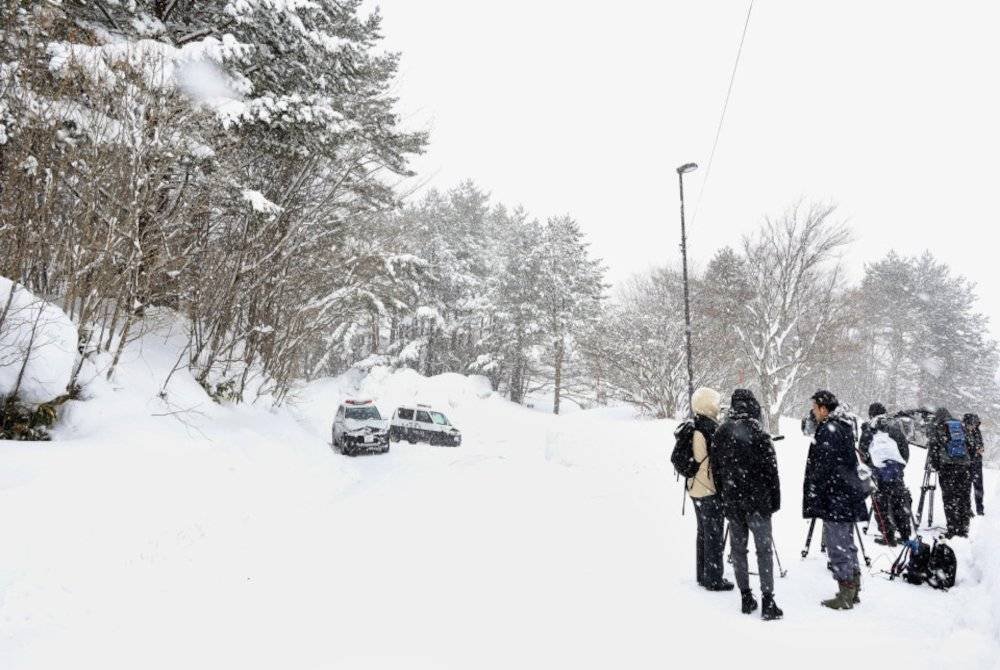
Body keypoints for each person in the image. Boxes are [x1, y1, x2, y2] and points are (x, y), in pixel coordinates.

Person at [711, 389, 783, 620]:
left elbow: (716, 471)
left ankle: (745, 597)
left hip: (734, 502)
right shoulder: (759, 433)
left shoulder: (721, 433)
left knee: (738, 551)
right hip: (758, 503)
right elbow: (772, 472)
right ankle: (768, 600)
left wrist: (724, 496)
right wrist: (774, 502)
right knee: (764, 551)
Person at [803, 389, 868, 610]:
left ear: (823, 409)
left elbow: (824, 466)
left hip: (836, 496)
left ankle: (846, 593)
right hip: (846, 494)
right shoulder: (843, 426)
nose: (813, 412)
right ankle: (854, 587)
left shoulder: (829, 430)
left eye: (815, 408)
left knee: (837, 545)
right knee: (847, 543)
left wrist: (817, 490)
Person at [686, 387, 733, 591]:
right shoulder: (710, 428)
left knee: (703, 533)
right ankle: (713, 579)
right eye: (715, 402)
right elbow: (719, 461)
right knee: (713, 534)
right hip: (709, 490)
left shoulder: (693, 425)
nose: (718, 406)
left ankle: (702, 573)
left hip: (694, 488)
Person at [858, 402, 913, 546]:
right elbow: (905, 451)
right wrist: (899, 467)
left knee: (880, 503)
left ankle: (888, 536)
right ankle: (905, 535)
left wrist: (871, 467)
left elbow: (862, 452)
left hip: (878, 471)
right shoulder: (894, 427)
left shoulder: (869, 428)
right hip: (895, 471)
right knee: (899, 501)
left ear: (871, 414)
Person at [927, 408, 972, 537]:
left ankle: (952, 528)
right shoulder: (959, 425)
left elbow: (934, 447)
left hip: (947, 467)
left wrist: (936, 465)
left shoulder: (938, 427)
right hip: (963, 466)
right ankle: (963, 528)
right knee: (963, 497)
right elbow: (970, 444)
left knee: (949, 498)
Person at [964, 413, 985, 516]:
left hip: (977, 462)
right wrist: (974, 449)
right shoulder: (963, 432)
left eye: (976, 424)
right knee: (966, 487)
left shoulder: (977, 432)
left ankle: (979, 508)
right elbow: (965, 448)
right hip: (967, 463)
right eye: (973, 423)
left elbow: (981, 445)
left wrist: (980, 449)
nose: (974, 426)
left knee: (978, 486)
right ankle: (967, 508)